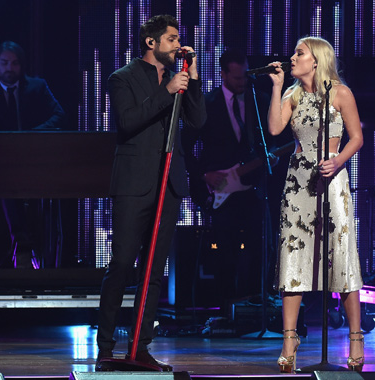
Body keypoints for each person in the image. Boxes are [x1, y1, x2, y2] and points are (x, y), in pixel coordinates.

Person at [95, 14, 205, 371]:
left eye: (178, 39)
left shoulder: (181, 79)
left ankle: (140, 346)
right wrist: (168, 90)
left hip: (168, 184)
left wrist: (194, 82)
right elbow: (127, 121)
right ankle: (107, 345)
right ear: (151, 43)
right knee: (123, 264)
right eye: (172, 39)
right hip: (134, 184)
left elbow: (199, 122)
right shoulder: (121, 78)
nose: (178, 45)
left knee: (154, 271)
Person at [267, 37, 364, 372]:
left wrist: (337, 162)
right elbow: (275, 128)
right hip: (298, 184)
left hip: (332, 180)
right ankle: (289, 338)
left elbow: (357, 137)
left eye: (299, 53)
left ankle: (355, 337)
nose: (292, 57)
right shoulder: (293, 96)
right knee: (293, 256)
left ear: (317, 60)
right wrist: (278, 87)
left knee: (340, 254)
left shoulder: (340, 93)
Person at [182, 49, 273, 308]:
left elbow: (273, 140)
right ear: (223, 74)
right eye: (236, 78)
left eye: (245, 77)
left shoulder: (260, 100)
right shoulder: (207, 104)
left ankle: (256, 302)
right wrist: (203, 174)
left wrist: (271, 157)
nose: (242, 83)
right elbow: (184, 145)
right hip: (221, 188)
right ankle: (225, 306)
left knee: (260, 246)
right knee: (225, 249)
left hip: (254, 186)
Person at [0, 41, 66, 269]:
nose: (9, 68)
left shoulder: (38, 87)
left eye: (14, 63)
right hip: (4, 165)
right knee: (7, 188)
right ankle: (22, 246)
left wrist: (32, 135)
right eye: (4, 63)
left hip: (37, 161)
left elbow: (59, 115)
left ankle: (26, 249)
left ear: (21, 65)